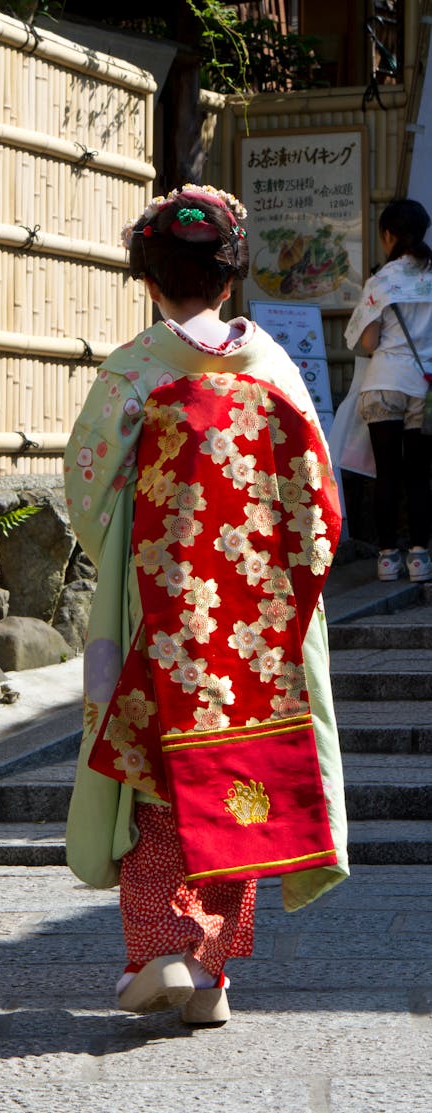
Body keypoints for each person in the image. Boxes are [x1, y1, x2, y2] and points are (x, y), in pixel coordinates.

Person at [64, 184, 348, 1028]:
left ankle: (167, 949)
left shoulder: (138, 372)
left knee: (157, 788)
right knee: (242, 784)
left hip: (161, 614)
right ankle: (212, 972)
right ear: (231, 278)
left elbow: (88, 488)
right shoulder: (274, 370)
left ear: (148, 279)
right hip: (258, 628)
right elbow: (321, 503)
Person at [345, 198, 432, 582]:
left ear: (389, 235)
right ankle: (419, 557)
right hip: (424, 388)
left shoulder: (382, 280)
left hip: (385, 382)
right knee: (419, 475)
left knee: (386, 474)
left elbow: (368, 341)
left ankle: (386, 558)